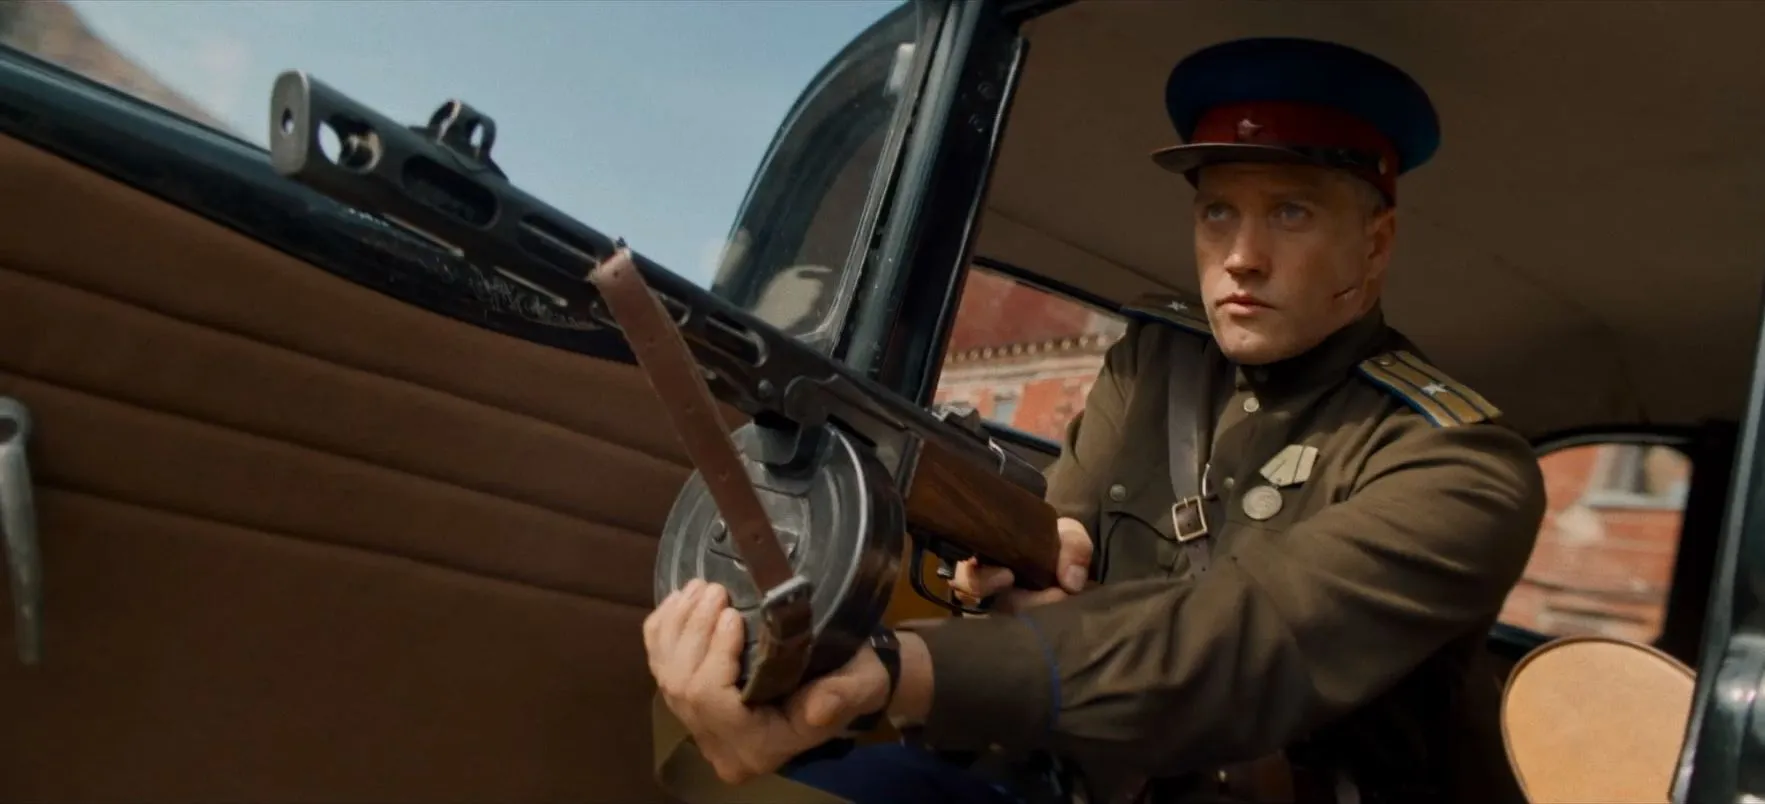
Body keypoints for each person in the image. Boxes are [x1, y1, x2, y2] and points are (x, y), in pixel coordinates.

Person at [642, 36, 1546, 804]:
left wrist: (892, 669)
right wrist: (1008, 575)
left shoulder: (1462, 464)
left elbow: (1243, 639)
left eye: (1290, 213)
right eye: (1217, 211)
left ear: (1374, 245)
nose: (1240, 256)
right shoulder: (1157, 362)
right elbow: (1057, 536)